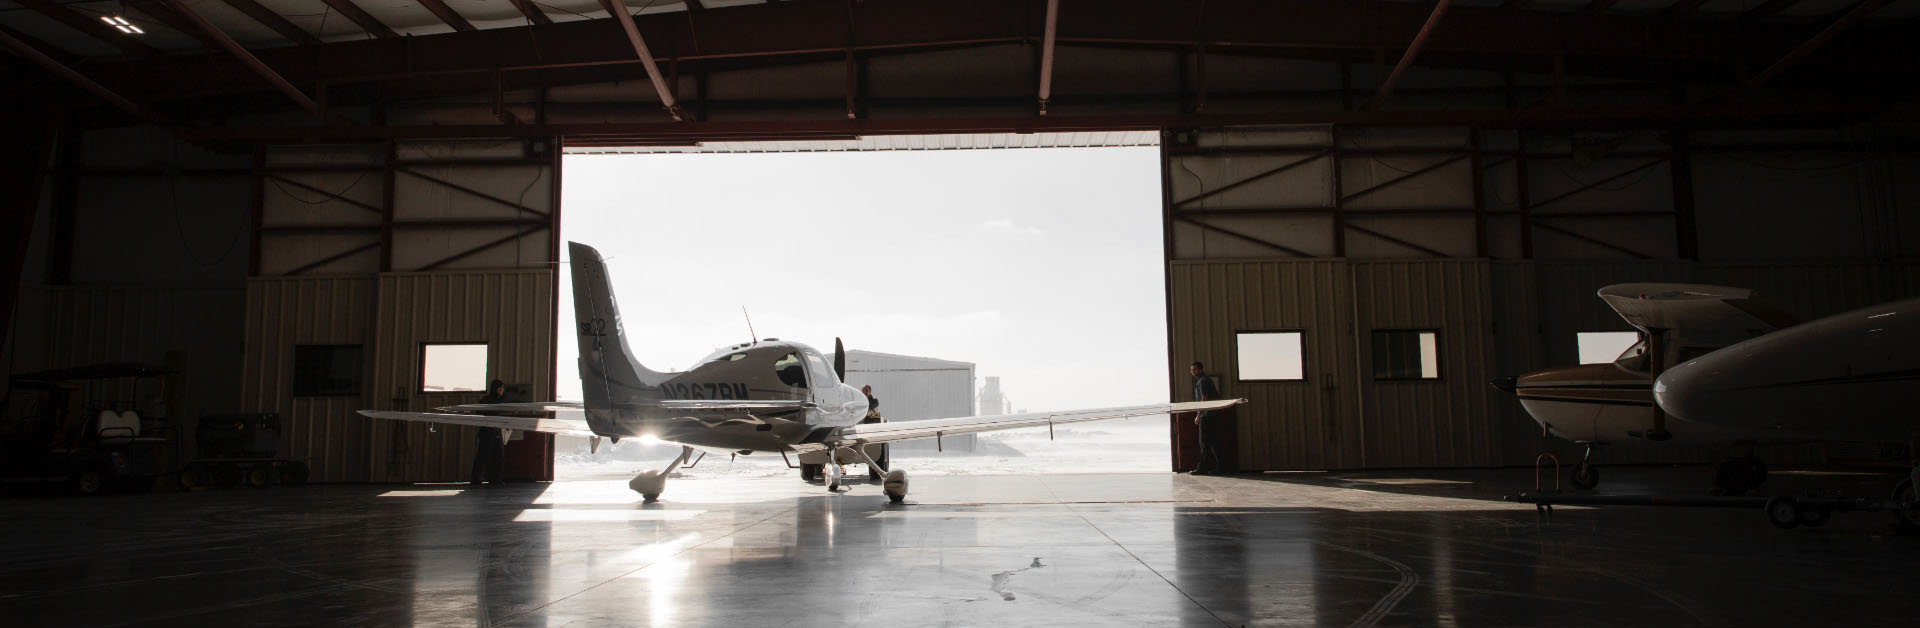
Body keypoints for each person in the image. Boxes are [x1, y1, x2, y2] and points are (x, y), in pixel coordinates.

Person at [1189, 362, 1227, 475]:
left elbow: (1204, 398)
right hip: (1212, 415)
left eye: (1195, 369)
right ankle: (1221, 467)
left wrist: (1198, 415)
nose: (1193, 372)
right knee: (1213, 442)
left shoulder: (1203, 381)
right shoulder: (1204, 380)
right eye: (1192, 370)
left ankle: (1203, 468)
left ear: (1201, 369)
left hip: (1207, 415)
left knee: (1204, 442)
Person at [470, 379, 508, 486]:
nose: (501, 391)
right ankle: (476, 479)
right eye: (500, 388)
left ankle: (496, 479)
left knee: (499, 456)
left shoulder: (502, 401)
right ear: (495, 389)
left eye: (502, 389)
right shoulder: (486, 400)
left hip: (497, 431)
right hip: (487, 431)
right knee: (482, 456)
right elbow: (480, 412)